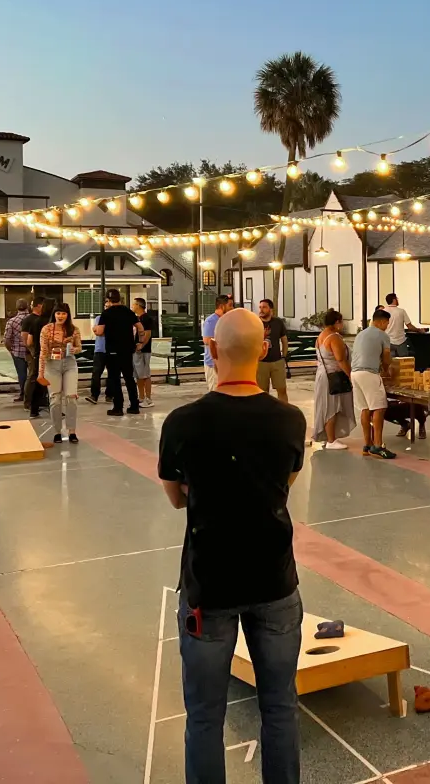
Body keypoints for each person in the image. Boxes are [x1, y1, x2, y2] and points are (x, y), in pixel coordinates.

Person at [158, 307, 306, 784]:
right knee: (280, 706)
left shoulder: (182, 423)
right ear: (264, 350)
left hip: (209, 584)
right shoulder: (290, 420)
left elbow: (176, 498)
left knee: (205, 716)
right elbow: (285, 483)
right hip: (274, 579)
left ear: (212, 349)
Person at [351, 309, 396, 459]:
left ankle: (367, 444)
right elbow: (386, 357)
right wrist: (387, 370)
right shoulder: (383, 335)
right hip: (369, 373)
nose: (387, 326)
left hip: (355, 373)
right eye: (387, 323)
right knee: (379, 407)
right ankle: (378, 446)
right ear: (381, 321)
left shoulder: (361, 334)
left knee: (365, 408)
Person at [37, 302, 82, 445]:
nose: (60, 316)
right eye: (58, 313)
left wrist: (76, 350)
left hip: (69, 364)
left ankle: (72, 431)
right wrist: (40, 373)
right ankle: (57, 431)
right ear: (54, 315)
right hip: (52, 366)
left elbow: (79, 346)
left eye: (63, 313)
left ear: (67, 315)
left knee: (71, 398)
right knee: (55, 399)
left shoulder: (74, 329)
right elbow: (43, 352)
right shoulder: (46, 329)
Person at [311, 309, 354, 450]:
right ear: (336, 322)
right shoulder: (334, 337)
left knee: (325, 406)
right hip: (333, 376)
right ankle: (331, 440)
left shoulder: (321, 336)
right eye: (341, 322)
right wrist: (350, 375)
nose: (342, 325)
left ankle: (328, 437)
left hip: (322, 374)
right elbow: (341, 360)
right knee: (332, 407)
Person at [94, 289, 140, 416]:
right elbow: (140, 328)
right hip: (127, 350)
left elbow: (99, 332)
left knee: (115, 379)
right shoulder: (128, 312)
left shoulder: (106, 313)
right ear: (120, 299)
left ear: (108, 300)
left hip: (113, 350)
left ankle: (118, 407)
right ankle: (134, 406)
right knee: (129, 378)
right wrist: (139, 342)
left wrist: (95, 329)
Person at [256, 299, 289, 403]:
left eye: (264, 307)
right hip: (261, 363)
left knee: (282, 389)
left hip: (277, 361)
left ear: (271, 309)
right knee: (262, 392)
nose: (261, 309)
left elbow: (284, 340)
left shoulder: (278, 322)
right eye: (260, 307)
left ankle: (285, 412)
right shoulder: (255, 323)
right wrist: (263, 336)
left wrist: (283, 356)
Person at [22, 299, 49, 416]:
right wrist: (32, 352)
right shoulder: (29, 320)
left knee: (40, 377)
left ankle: (39, 402)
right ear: (39, 306)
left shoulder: (38, 321)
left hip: (39, 352)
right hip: (34, 353)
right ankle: (28, 402)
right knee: (34, 376)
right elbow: (25, 339)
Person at [201, 295, 231, 391]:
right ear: (222, 307)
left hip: (225, 363)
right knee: (215, 391)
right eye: (230, 305)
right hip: (213, 364)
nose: (232, 308)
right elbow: (206, 340)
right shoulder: (211, 321)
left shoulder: (226, 320)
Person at [3, 299, 31, 397]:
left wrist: (11, 350)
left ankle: (23, 393)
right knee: (33, 374)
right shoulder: (34, 319)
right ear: (28, 306)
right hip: (32, 351)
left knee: (21, 374)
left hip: (18, 352)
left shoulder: (11, 321)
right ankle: (33, 394)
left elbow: (7, 339)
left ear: (17, 307)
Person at [133, 298, 158, 408]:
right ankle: (142, 397)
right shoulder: (138, 318)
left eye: (133, 304)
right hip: (138, 349)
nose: (132, 306)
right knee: (139, 374)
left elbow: (147, 333)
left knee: (144, 374)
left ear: (138, 305)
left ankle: (146, 398)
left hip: (143, 350)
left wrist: (141, 345)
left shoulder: (145, 318)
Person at [383, 292, 423, 358]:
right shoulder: (401, 311)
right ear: (394, 300)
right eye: (397, 299)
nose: (398, 300)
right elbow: (409, 326)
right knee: (403, 364)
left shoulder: (383, 311)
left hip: (388, 342)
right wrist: (419, 330)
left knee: (390, 363)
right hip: (401, 341)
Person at [85, 310, 108, 404]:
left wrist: (101, 330)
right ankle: (94, 395)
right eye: (106, 306)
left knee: (113, 374)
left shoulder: (115, 319)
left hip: (112, 350)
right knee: (96, 373)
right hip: (100, 349)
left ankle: (110, 394)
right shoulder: (99, 318)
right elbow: (97, 332)